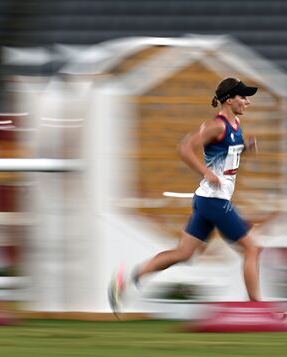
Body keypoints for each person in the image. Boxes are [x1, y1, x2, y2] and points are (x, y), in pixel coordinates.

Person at [109, 77, 274, 313]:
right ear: (228, 100)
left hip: (209, 201)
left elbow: (225, 158)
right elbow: (184, 148)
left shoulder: (235, 125)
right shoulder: (216, 126)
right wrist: (206, 172)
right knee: (252, 249)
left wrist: (245, 149)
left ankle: (128, 279)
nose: (247, 102)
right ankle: (259, 309)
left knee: (183, 253)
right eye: (243, 97)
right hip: (214, 201)